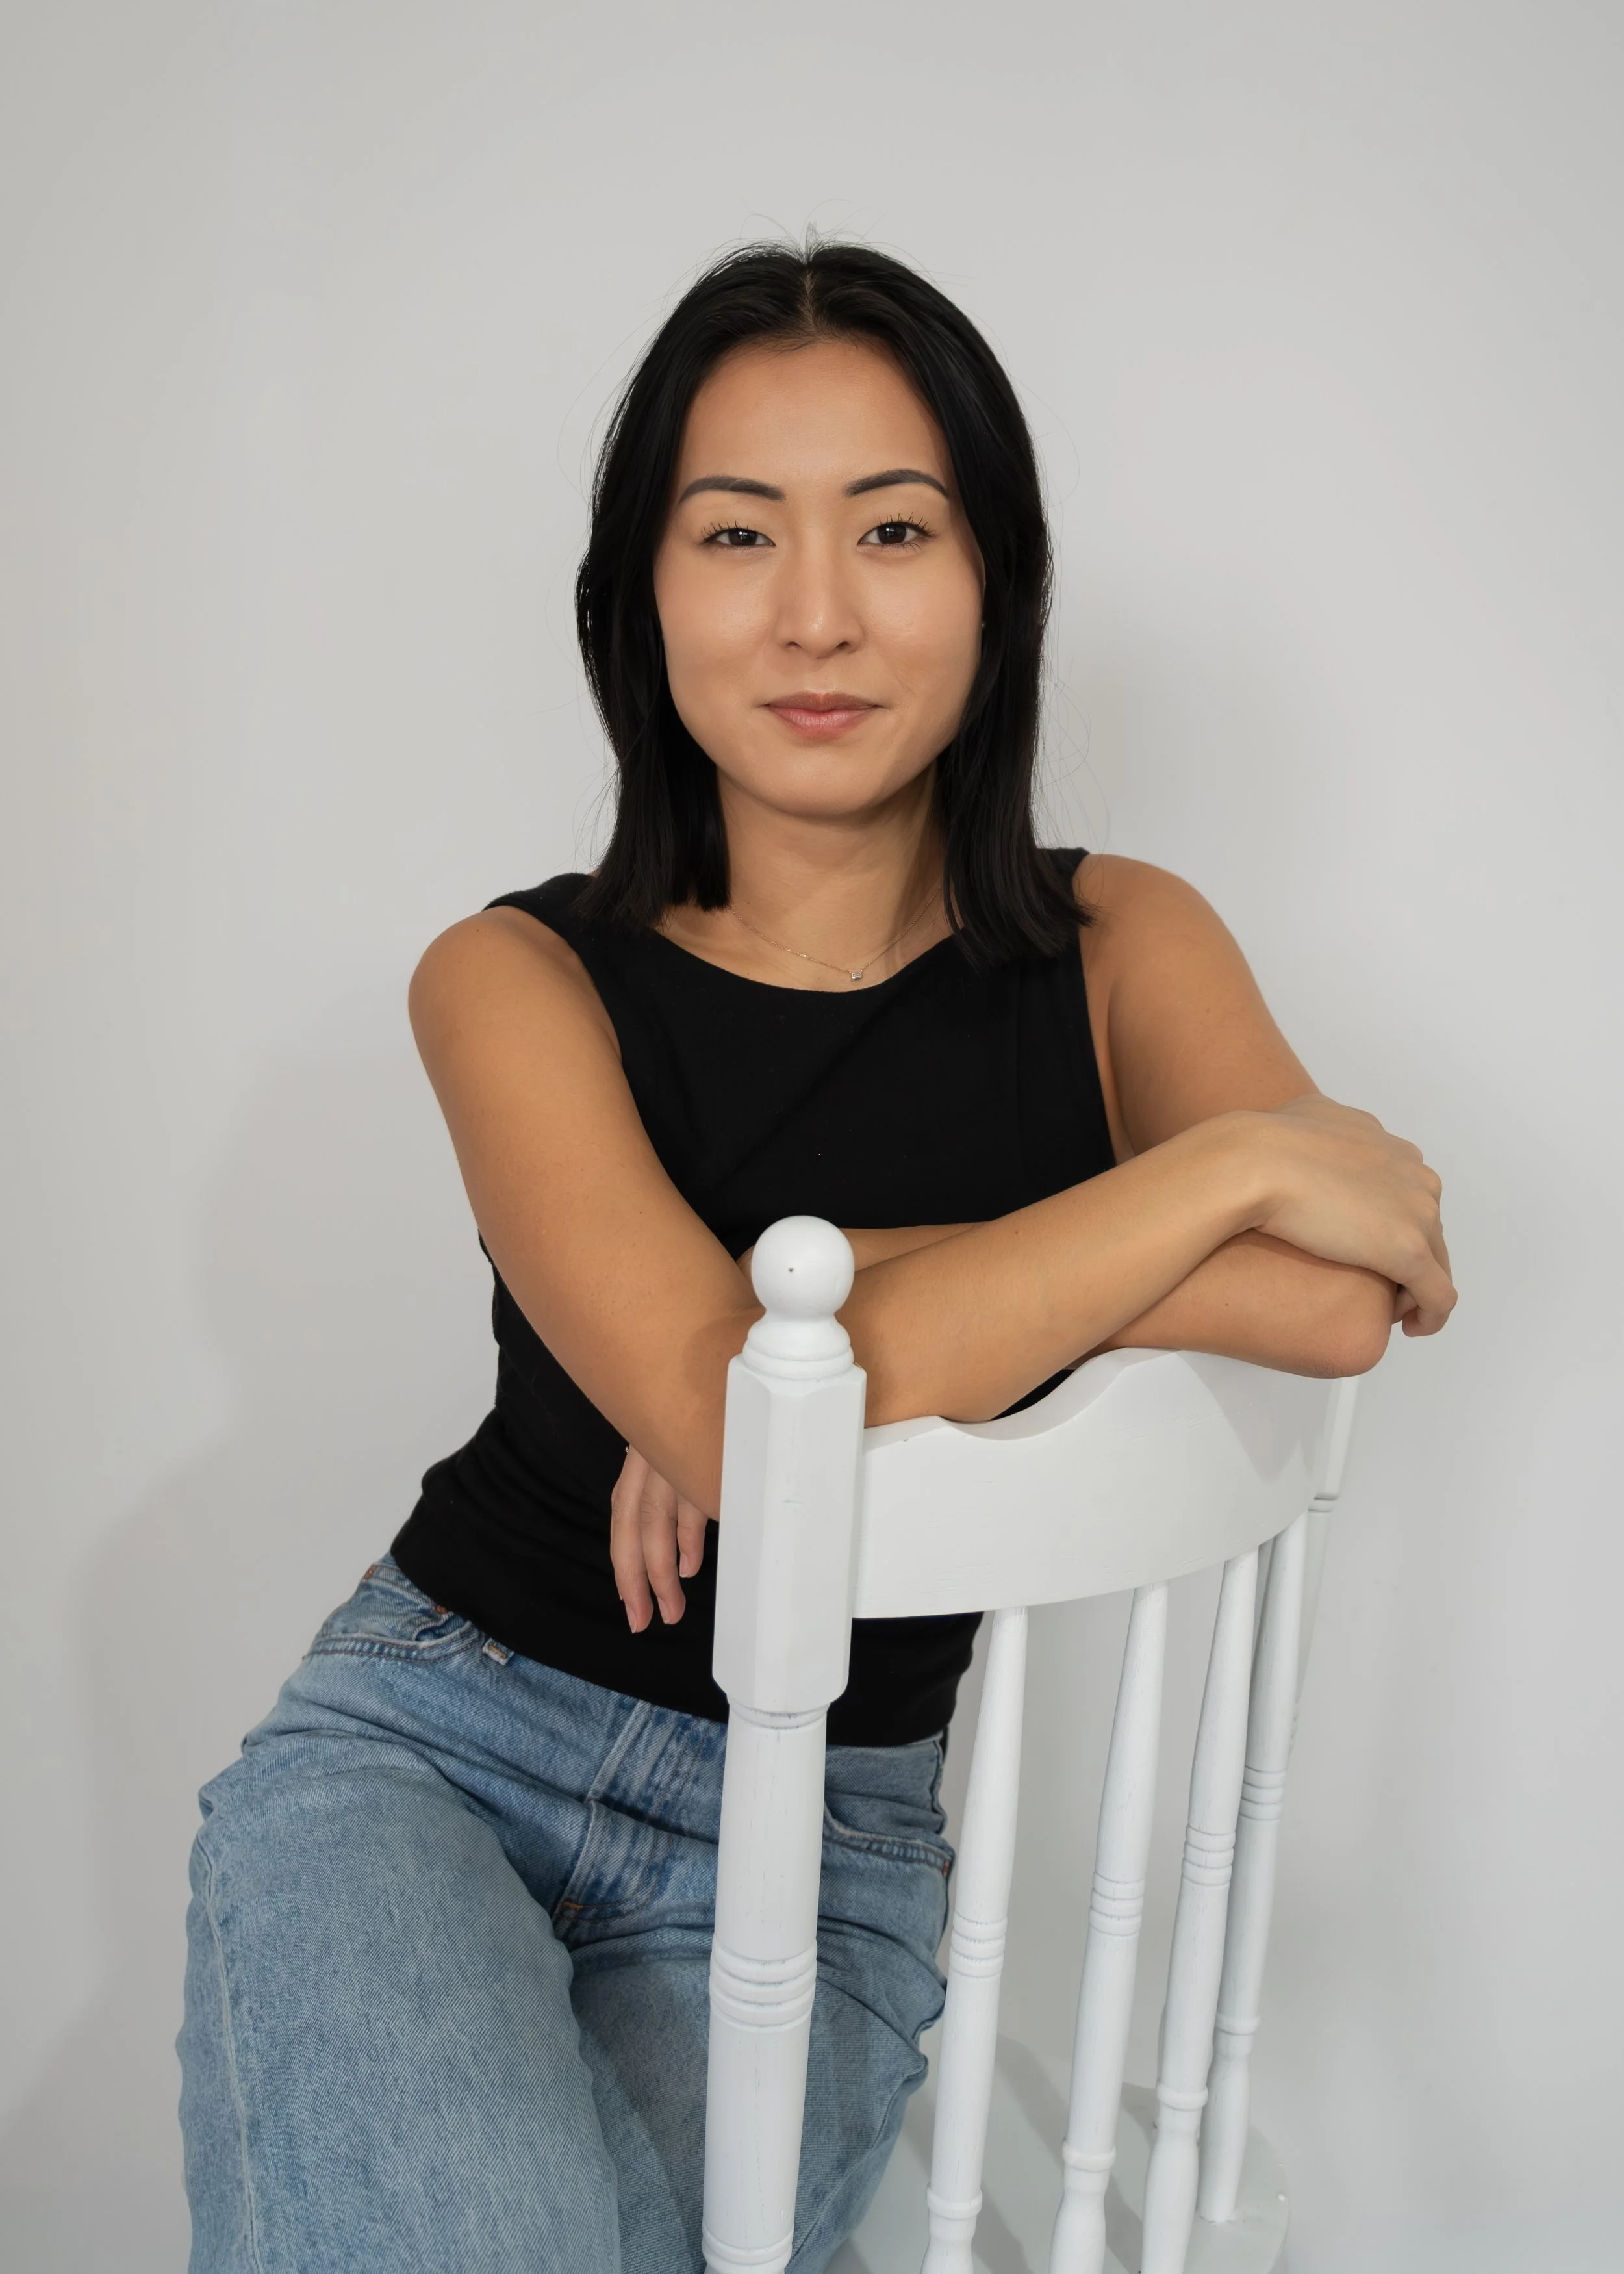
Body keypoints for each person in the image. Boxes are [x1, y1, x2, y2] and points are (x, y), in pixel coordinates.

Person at [176, 240, 1454, 2274]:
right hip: (435, 1748)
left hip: (828, 1841)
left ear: (993, 582)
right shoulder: (511, 979)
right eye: (734, 532)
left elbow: (1328, 1303)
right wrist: (1223, 1172)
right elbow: (715, 1401)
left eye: (891, 527)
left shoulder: (1124, 944)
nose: (814, 611)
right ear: (638, 597)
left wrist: (802, 1296)